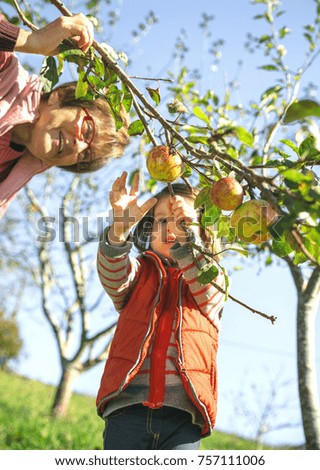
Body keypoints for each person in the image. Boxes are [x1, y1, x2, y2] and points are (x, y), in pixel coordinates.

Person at [96, 170, 225, 450]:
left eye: (182, 221)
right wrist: (118, 232)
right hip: (126, 407)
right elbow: (113, 274)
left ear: (203, 233)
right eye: (162, 221)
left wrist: (189, 239)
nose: (170, 228)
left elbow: (207, 283)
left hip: (183, 418)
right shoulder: (140, 274)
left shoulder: (212, 280)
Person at [0, 13, 130, 218]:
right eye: (87, 131)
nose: (78, 146)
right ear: (60, 97)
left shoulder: (7, 179)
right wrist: (32, 41)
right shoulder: (5, 72)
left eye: (85, 156)